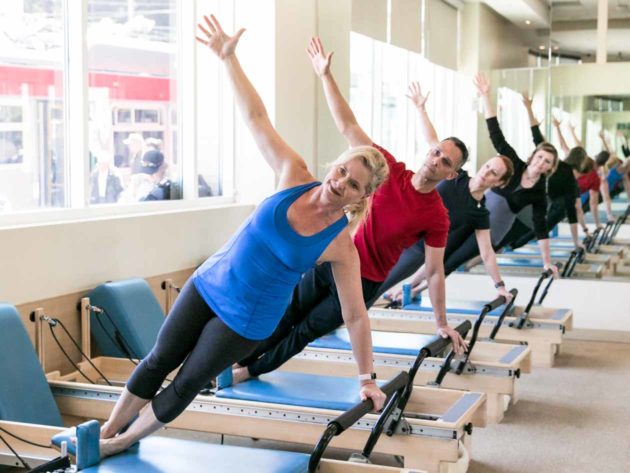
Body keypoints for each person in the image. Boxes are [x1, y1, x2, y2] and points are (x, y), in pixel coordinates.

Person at [97, 16, 388, 458]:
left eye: (353, 184)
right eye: (342, 169)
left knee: (190, 379)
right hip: (209, 283)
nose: (340, 182)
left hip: (247, 321)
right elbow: (256, 117)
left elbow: (356, 316)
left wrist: (366, 377)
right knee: (158, 359)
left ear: (360, 198)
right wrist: (229, 58)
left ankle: (127, 440)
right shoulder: (294, 173)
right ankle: (109, 429)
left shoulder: (340, 246)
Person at [232, 37, 467, 385]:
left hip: (365, 280)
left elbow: (434, 272)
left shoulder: (436, 215)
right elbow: (348, 126)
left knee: (306, 331)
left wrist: (441, 321)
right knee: (286, 313)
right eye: (436, 152)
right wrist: (325, 75)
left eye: (445, 162)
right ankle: (236, 360)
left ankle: (250, 371)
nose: (435, 161)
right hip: (332, 258)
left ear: (451, 174)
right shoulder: (388, 168)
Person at [376, 82, 515, 303]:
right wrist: (421, 108)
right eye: (488, 165)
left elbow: (487, 253)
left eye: (494, 173)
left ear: (498, 182)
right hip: (395, 228)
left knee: (374, 287)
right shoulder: (455, 175)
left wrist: (500, 286)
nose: (486, 172)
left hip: (415, 250)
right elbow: (434, 142)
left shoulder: (480, 213)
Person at [436, 73, 559, 278]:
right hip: (475, 213)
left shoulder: (538, 192)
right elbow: (496, 134)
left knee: (454, 262)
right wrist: (485, 96)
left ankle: (417, 290)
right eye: (539, 157)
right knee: (443, 252)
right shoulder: (513, 164)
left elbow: (541, 227)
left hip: (495, 229)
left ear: (550, 168)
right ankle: (408, 288)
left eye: (547, 162)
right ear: (532, 156)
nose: (541, 163)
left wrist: (547, 262)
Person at [500, 98, 583, 251]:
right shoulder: (569, 178)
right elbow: (573, 212)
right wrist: (577, 241)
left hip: (521, 203)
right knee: (500, 244)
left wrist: (528, 108)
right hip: (531, 212)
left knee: (495, 240)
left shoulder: (552, 160)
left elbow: (536, 135)